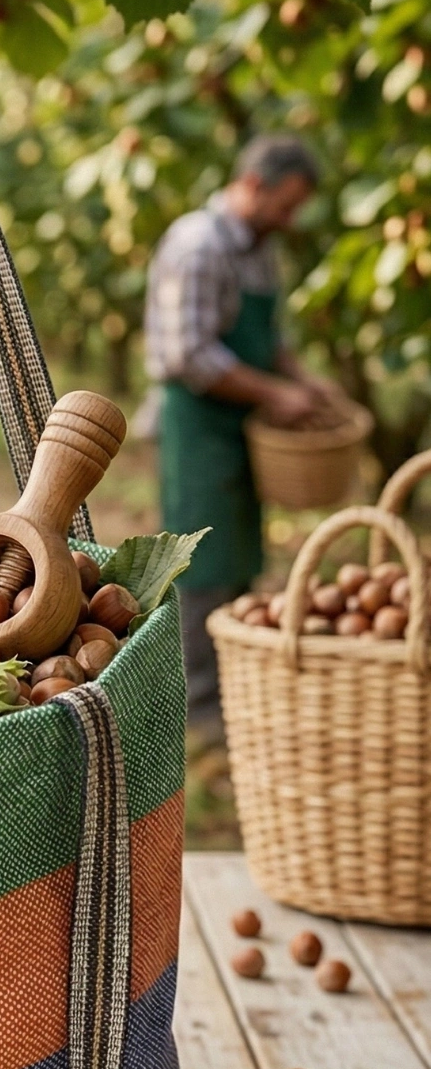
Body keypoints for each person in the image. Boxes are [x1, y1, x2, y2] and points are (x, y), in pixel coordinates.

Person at [144, 134, 338, 737]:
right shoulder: (199, 245)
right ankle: (197, 708)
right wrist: (277, 394)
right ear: (253, 185)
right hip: (198, 423)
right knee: (201, 559)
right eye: (285, 204)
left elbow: (268, 342)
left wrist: (306, 381)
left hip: (242, 425)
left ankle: (233, 688)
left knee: (241, 551)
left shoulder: (257, 249)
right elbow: (188, 355)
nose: (290, 220)